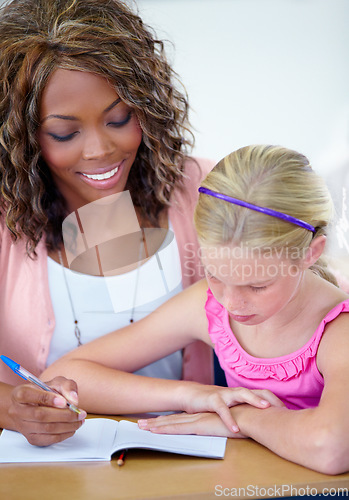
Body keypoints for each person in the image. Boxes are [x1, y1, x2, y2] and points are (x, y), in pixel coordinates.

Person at [43, 145, 349, 474]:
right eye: (214, 275)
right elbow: (64, 376)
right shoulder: (210, 305)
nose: (231, 303)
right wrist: (193, 395)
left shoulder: (337, 331)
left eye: (257, 286)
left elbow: (330, 448)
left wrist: (243, 418)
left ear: (311, 253)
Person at [0, 0, 215, 446]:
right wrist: (10, 408)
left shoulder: (202, 192)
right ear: (21, 134)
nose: (99, 150)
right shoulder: (6, 223)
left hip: (187, 463)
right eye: (64, 133)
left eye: (119, 118)